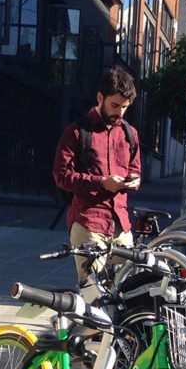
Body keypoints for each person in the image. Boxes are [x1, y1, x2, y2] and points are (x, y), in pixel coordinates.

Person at [52, 66, 141, 298]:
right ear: (100, 97)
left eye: (124, 107)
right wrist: (102, 182)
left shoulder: (130, 133)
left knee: (126, 296)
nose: (119, 112)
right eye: (114, 105)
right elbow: (61, 175)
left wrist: (133, 180)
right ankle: (87, 334)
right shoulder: (77, 132)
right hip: (89, 225)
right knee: (94, 299)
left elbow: (136, 170)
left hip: (121, 226)